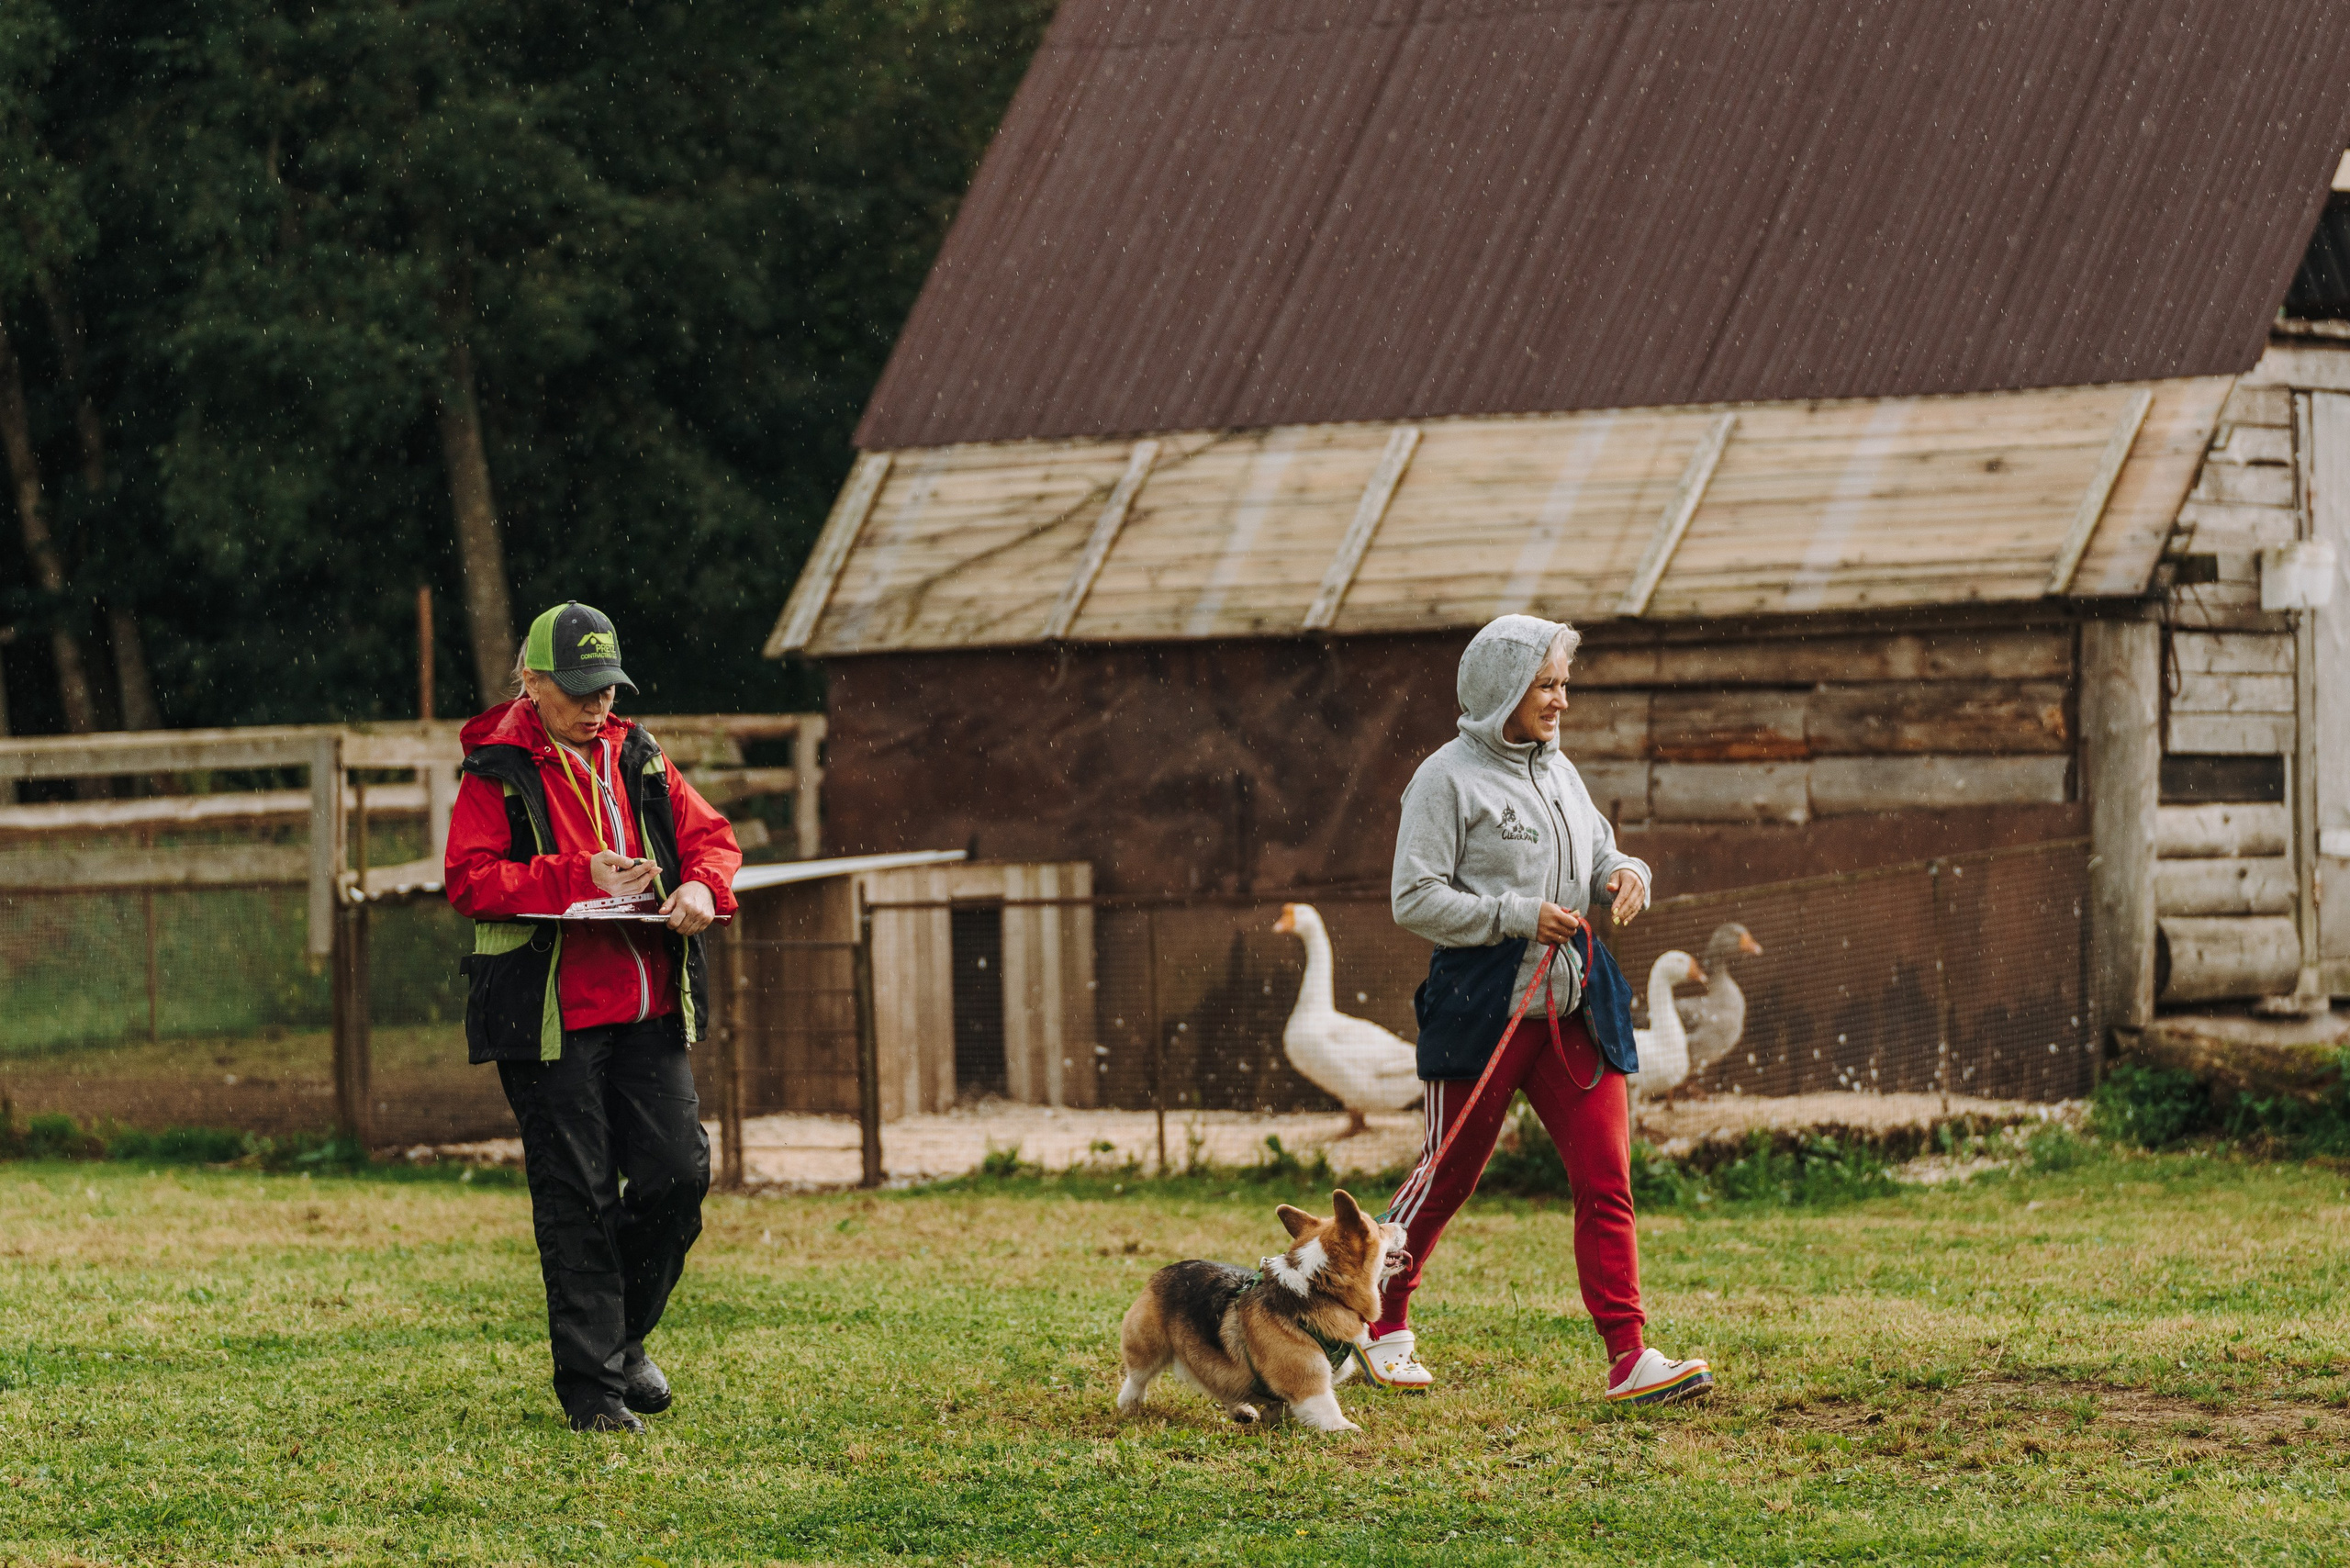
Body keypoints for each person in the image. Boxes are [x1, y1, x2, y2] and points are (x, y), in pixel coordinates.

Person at [1365, 613, 1714, 1406]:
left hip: (1576, 1011)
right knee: (1444, 1177)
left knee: (1607, 1177)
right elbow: (1413, 897)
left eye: (1564, 684)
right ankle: (1379, 1321)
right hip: (1481, 1010)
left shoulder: (1563, 772)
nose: (1561, 701)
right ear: (1501, 689)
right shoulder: (1444, 778)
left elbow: (1598, 856)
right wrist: (1517, 914)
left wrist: (1628, 873)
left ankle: (1630, 1357)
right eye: (1546, 685)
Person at [443, 601, 742, 1432]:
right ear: (530, 682)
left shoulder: (640, 755)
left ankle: (623, 1338)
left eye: (607, 686)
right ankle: (594, 1393)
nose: (597, 704)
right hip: (550, 1019)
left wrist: (698, 888)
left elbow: (713, 838)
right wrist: (578, 877)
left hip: (648, 1007)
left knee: (678, 1178)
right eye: (577, 689)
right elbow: (470, 879)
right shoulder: (496, 768)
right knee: (577, 1196)